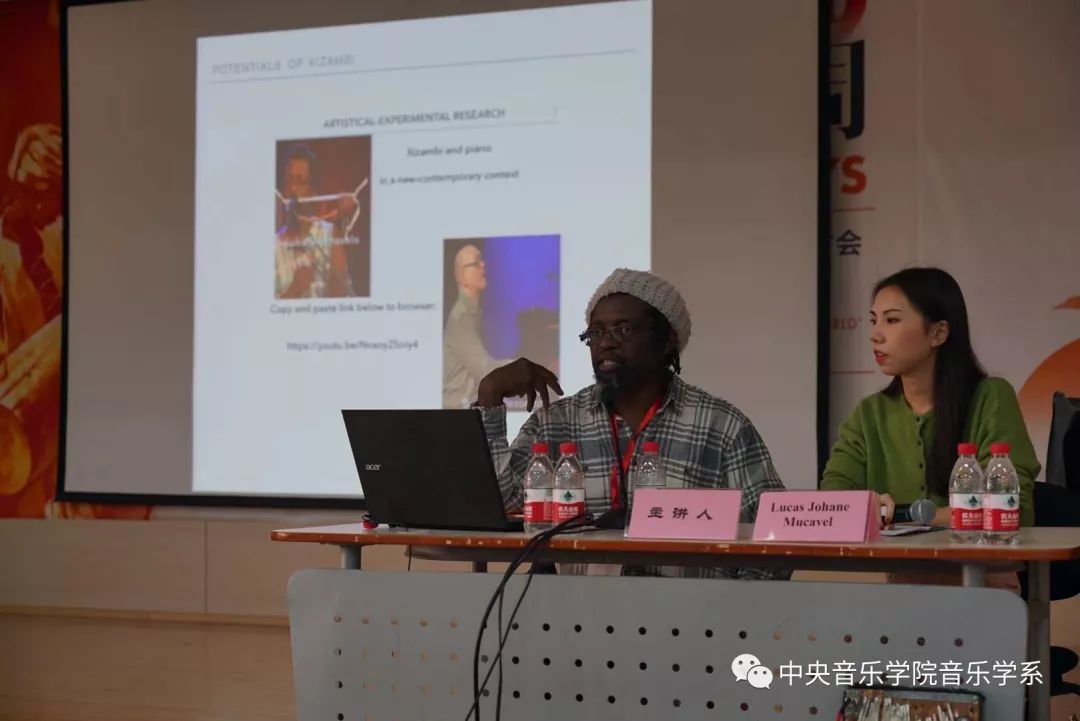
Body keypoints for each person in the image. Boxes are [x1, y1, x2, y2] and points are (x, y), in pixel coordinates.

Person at [474, 268, 788, 580]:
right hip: (582, 609)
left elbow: (775, 544)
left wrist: (727, 606)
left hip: (691, 609)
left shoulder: (721, 427)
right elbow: (501, 506)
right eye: (595, 333)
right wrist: (489, 397)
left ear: (666, 340)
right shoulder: (555, 423)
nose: (605, 343)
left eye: (623, 329)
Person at [821, 268, 1039, 588]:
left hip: (984, 582)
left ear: (938, 333)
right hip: (905, 585)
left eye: (892, 320)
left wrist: (912, 516)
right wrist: (867, 506)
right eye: (873, 320)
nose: (875, 335)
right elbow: (833, 500)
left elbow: (1010, 507)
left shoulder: (990, 396)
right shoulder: (870, 413)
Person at [274, 144, 355, 299]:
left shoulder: (330, 234)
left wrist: (342, 223)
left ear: (313, 190)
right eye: (288, 181)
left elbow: (342, 296)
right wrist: (295, 290)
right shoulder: (272, 246)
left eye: (300, 181)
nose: (292, 189)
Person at [442, 244, 512, 408]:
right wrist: (527, 366)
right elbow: (486, 371)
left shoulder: (472, 314)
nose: (483, 265)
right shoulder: (461, 319)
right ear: (461, 276)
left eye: (482, 260)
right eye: (476, 262)